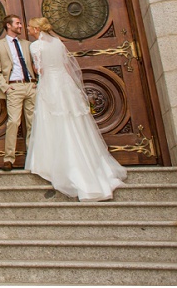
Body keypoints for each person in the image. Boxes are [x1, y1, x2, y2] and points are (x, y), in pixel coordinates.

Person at [25, 16, 127, 201]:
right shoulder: (57, 43)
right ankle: (89, 162)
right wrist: (74, 88)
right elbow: (67, 66)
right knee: (73, 120)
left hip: (50, 86)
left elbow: (40, 70)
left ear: (37, 30)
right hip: (65, 84)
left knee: (53, 120)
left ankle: (55, 164)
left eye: (30, 27)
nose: (28, 29)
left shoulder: (35, 46)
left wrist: (35, 69)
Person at [0, 14, 37, 171]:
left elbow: (35, 64)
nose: (21, 26)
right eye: (17, 23)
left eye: (21, 23)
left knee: (33, 124)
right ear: (8, 26)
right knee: (14, 122)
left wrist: (37, 81)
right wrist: (6, 87)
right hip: (14, 88)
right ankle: (8, 158)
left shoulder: (27, 44)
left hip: (31, 86)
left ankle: (33, 158)